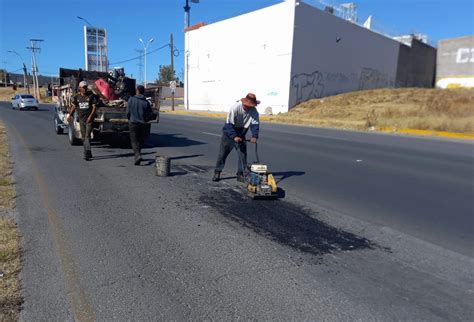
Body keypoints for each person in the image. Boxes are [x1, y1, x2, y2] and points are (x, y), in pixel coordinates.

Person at [212, 93, 260, 182]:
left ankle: (240, 174)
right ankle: (217, 172)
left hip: (241, 134)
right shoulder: (235, 108)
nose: (248, 108)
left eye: (250, 106)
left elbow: (255, 124)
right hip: (229, 134)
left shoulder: (254, 111)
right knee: (222, 154)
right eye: (247, 106)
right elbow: (228, 124)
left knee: (242, 156)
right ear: (244, 103)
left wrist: (254, 136)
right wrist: (234, 136)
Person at [68, 80, 98, 161]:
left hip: (89, 120)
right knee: (83, 138)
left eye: (86, 87)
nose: (85, 89)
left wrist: (90, 117)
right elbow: (74, 107)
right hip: (81, 120)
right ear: (80, 88)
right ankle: (89, 152)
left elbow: (94, 107)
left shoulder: (91, 96)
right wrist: (70, 115)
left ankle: (86, 154)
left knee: (87, 137)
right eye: (83, 87)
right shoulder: (77, 97)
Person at [126, 85, 152, 165]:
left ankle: (137, 155)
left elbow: (127, 112)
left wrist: (129, 118)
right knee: (140, 140)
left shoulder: (131, 100)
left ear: (137, 91)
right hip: (142, 123)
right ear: (143, 91)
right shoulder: (146, 102)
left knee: (134, 140)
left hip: (133, 123)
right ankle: (138, 155)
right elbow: (149, 114)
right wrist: (145, 119)